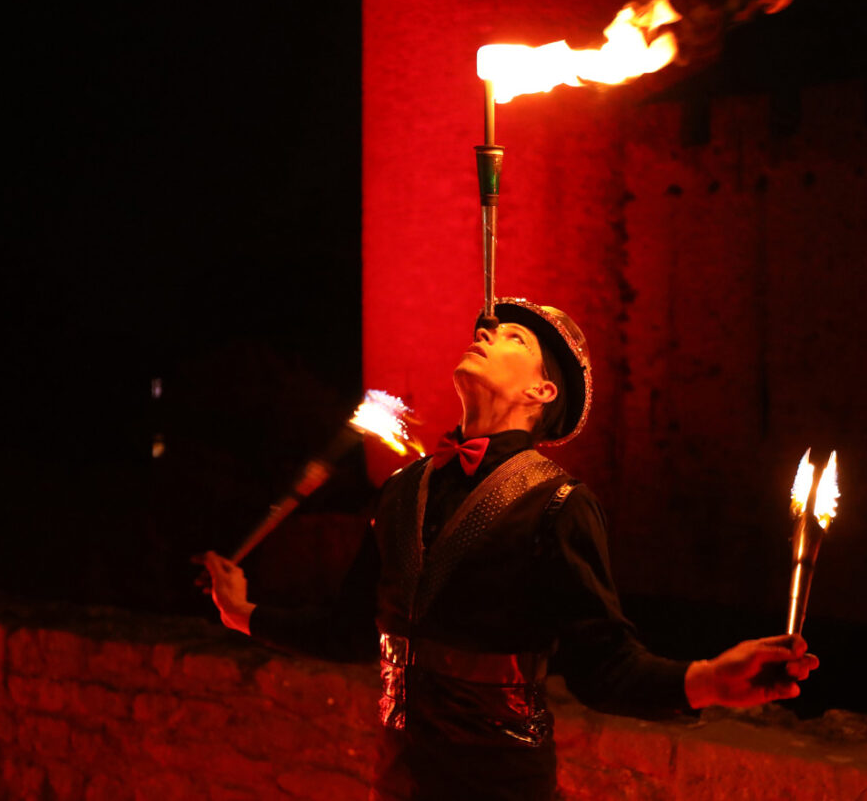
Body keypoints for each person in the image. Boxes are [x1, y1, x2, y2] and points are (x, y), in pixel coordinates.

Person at [197, 298, 818, 800]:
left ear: (542, 393)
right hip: (398, 783)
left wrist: (706, 680)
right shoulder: (400, 491)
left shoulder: (560, 505)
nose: (489, 331)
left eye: (514, 339)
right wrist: (241, 613)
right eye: (490, 329)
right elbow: (352, 631)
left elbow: (604, 667)